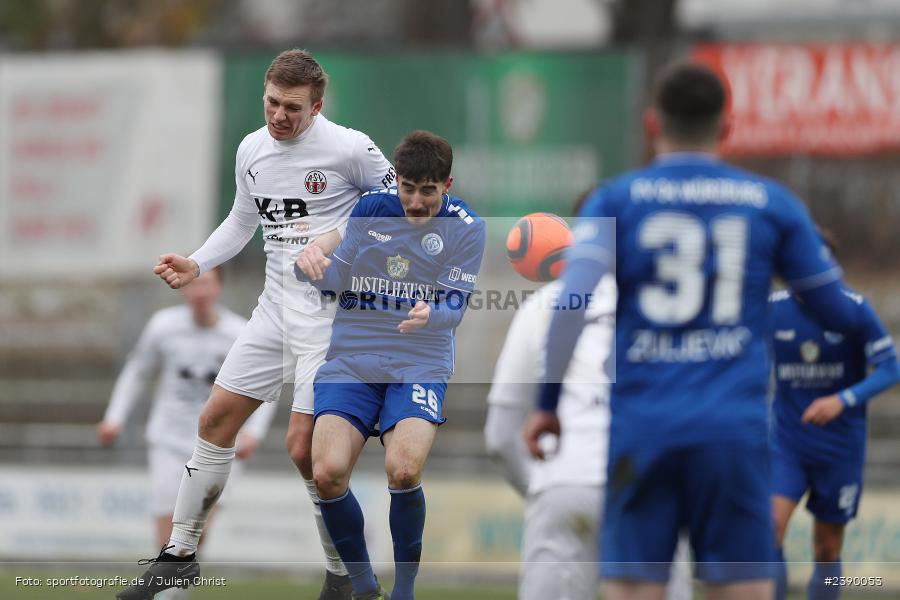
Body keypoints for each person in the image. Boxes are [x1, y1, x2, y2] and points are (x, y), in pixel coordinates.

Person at [525, 62, 862, 600]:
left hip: (642, 434)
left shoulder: (615, 200)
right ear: (727, 128)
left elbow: (570, 304)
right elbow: (838, 311)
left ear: (652, 124)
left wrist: (547, 404)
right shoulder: (771, 203)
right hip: (732, 436)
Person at [116, 48, 395, 600]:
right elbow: (243, 220)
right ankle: (180, 554)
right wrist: (198, 262)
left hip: (332, 319)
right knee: (215, 418)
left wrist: (337, 241)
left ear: (317, 107)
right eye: (271, 102)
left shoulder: (350, 148)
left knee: (305, 450)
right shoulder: (251, 149)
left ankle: (341, 573)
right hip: (274, 310)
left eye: (292, 107)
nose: (278, 116)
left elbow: (395, 207)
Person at [295, 130, 487, 600]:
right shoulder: (370, 209)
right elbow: (337, 280)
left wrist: (431, 314)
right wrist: (312, 266)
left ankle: (404, 592)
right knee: (327, 473)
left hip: (419, 361)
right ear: (396, 180)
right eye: (407, 188)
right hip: (353, 357)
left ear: (447, 185)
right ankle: (364, 587)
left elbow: (455, 305)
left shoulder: (467, 226)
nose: (415, 202)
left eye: (428, 190)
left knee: (403, 471)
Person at [485, 267, 694, 600]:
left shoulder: (546, 301)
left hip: (568, 476)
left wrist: (545, 489)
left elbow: (500, 435)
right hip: (651, 482)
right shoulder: (676, 306)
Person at [97, 267, 276, 599]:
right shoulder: (163, 326)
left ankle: (175, 582)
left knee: (198, 527)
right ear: (182, 289)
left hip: (222, 442)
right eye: (193, 285)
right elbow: (137, 371)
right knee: (168, 524)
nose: (200, 292)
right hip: (169, 438)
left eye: (206, 284)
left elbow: (264, 385)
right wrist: (114, 418)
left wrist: (254, 433)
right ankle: (168, 592)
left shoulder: (240, 332)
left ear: (219, 287)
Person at [769, 234, 899, 600]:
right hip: (788, 442)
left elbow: (891, 368)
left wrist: (843, 399)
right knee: (769, 529)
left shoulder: (854, 309)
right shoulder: (772, 309)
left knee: (826, 549)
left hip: (839, 447)